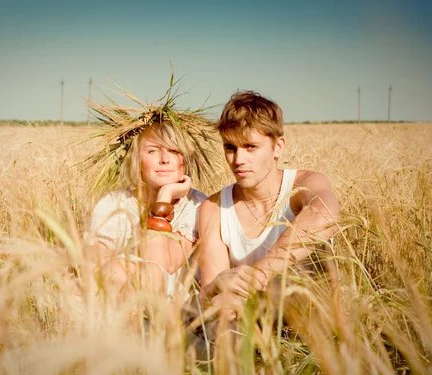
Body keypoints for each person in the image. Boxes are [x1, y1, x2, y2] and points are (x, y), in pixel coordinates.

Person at [196, 91, 340, 317]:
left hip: (313, 330)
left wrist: (260, 275)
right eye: (230, 148)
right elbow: (212, 299)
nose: (238, 160)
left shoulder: (304, 185)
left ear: (278, 147)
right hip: (250, 327)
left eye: (250, 146)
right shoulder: (213, 208)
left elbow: (326, 216)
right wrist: (217, 288)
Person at [81, 86, 224, 302]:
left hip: (172, 307)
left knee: (138, 272)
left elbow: (160, 266)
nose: (165, 159)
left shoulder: (197, 206)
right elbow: (94, 263)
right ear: (136, 160)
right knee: (115, 271)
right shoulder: (114, 203)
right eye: (153, 151)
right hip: (114, 296)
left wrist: (164, 197)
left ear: (185, 159)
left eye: (174, 151)